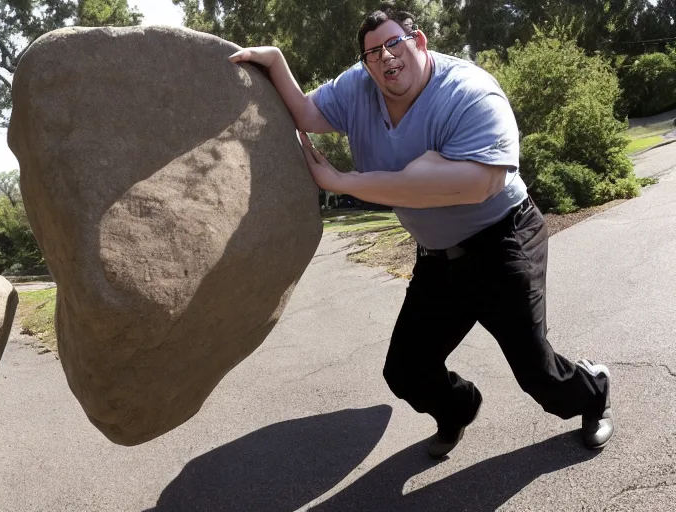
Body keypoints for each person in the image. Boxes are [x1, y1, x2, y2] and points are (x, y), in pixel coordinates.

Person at [229, 8, 613, 458]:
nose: (386, 58)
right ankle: (459, 408)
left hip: (503, 240)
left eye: (395, 44)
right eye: (373, 53)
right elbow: (308, 113)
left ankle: (594, 390)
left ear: (419, 41)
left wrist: (344, 182)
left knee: (539, 377)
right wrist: (276, 62)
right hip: (437, 257)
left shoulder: (469, 93)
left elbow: (476, 184)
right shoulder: (360, 85)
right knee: (407, 371)